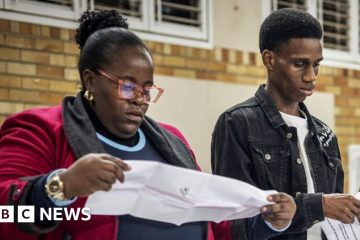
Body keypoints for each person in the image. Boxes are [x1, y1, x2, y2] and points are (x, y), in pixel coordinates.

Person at [0, 10, 295, 240]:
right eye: (127, 87)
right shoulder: (41, 130)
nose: (139, 100)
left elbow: (211, 225)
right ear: (91, 80)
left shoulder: (172, 141)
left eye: (147, 89)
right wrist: (61, 187)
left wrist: (267, 221)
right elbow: (5, 215)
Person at [211, 8, 360, 240]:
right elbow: (235, 223)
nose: (311, 76)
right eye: (300, 64)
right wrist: (317, 205)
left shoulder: (324, 134)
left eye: (316, 65)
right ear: (269, 60)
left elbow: (333, 220)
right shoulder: (237, 123)